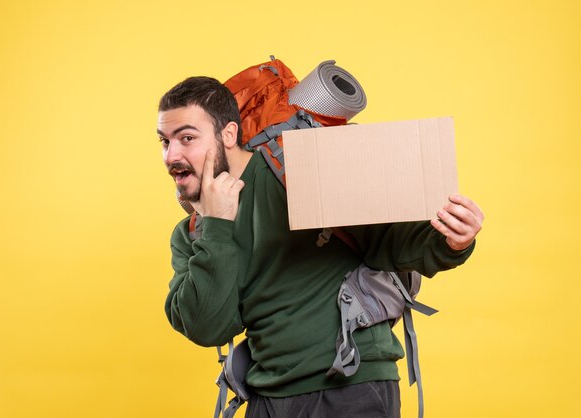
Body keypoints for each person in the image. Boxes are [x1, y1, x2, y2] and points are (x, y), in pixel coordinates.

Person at [158, 76, 483, 417]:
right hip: (267, 398)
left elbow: (390, 240)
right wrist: (218, 226)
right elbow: (207, 326)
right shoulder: (194, 234)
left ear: (228, 134)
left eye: (187, 139)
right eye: (165, 142)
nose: (172, 155)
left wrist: (453, 240)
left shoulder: (295, 173)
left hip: (351, 388)